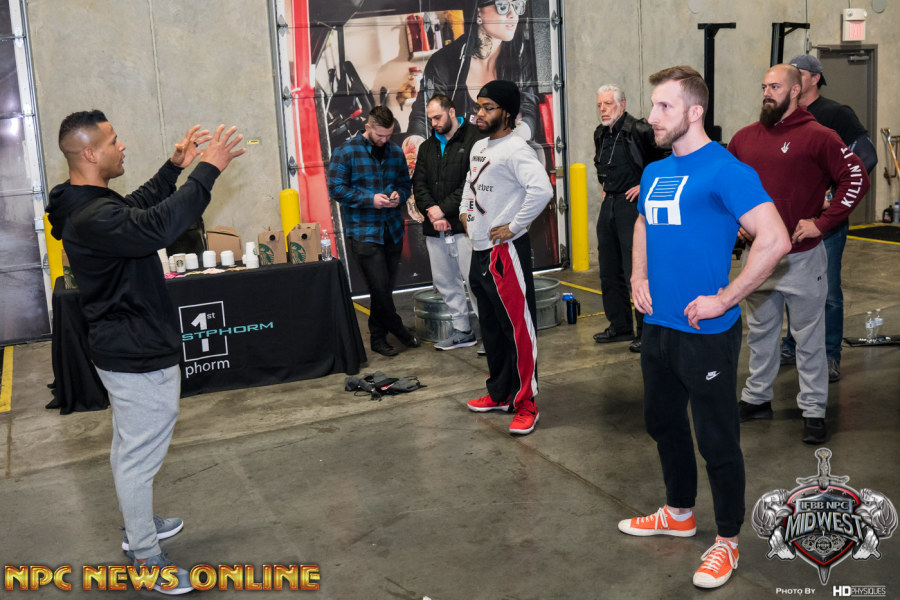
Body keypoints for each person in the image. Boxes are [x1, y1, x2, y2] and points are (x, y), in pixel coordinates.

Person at [46, 110, 245, 594]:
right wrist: (208, 168)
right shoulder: (92, 216)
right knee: (139, 456)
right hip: (134, 348)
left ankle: (139, 526)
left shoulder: (83, 203)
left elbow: (135, 210)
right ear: (89, 152)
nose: (122, 146)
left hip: (121, 341)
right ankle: (145, 556)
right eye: (113, 141)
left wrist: (173, 168)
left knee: (128, 446)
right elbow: (157, 226)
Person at [618, 66, 790, 590]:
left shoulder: (725, 170)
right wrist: (638, 275)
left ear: (695, 112)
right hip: (658, 326)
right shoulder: (655, 171)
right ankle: (678, 512)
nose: (652, 116)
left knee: (717, 440)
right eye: (653, 105)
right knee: (663, 423)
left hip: (706, 332)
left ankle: (728, 540)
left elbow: (775, 238)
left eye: (664, 107)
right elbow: (644, 221)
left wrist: (726, 297)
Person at [728, 64, 869, 444]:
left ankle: (813, 410)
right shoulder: (744, 139)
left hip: (802, 257)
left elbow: (857, 177)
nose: (766, 93)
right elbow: (729, 186)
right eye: (764, 86)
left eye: (775, 87)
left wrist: (823, 223)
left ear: (794, 91)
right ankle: (757, 398)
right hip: (758, 257)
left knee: (808, 338)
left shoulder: (818, 136)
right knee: (760, 333)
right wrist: (737, 221)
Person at [460, 80, 552, 435]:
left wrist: (514, 226)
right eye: (479, 106)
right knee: (492, 328)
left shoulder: (516, 150)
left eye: (488, 108)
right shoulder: (479, 146)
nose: (480, 114)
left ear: (508, 113)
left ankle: (527, 402)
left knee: (518, 329)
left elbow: (542, 190)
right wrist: (466, 212)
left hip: (505, 253)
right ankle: (500, 393)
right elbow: (470, 185)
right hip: (479, 250)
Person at [781, 54, 878, 382]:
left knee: (828, 290)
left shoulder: (836, 114)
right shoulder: (787, 116)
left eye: (799, 73)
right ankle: (792, 345)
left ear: (815, 78)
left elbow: (866, 156)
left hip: (827, 224)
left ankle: (829, 354)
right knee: (793, 287)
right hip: (793, 221)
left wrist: (833, 196)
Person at [328, 105, 418, 357]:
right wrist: (370, 200)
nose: (385, 140)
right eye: (380, 135)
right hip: (363, 232)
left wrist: (398, 196)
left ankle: (378, 338)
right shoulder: (346, 152)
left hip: (392, 230)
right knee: (379, 287)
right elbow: (336, 188)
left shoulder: (395, 152)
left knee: (385, 289)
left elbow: (405, 185)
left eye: (389, 135)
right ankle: (397, 329)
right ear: (368, 127)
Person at [403, 0, 538, 154]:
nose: (513, 15)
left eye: (518, 5)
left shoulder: (522, 55)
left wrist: (518, 134)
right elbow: (426, 114)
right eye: (503, 6)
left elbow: (529, 108)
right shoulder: (443, 61)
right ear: (478, 11)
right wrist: (415, 140)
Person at [591, 84, 665, 353]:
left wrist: (646, 185)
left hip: (632, 205)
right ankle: (620, 326)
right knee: (609, 268)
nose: (603, 109)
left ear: (622, 105)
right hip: (609, 202)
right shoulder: (600, 133)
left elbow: (666, 159)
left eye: (608, 104)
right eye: (599, 105)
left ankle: (647, 332)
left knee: (637, 269)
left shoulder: (640, 130)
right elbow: (601, 161)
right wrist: (604, 182)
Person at [413, 94, 483, 350]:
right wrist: (432, 212)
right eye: (430, 119)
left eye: (438, 117)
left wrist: (442, 210)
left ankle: (491, 334)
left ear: (452, 112)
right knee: (445, 282)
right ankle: (462, 330)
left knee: (476, 282)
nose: (434, 124)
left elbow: (472, 183)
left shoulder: (475, 139)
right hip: (435, 228)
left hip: (466, 226)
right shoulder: (427, 147)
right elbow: (419, 184)